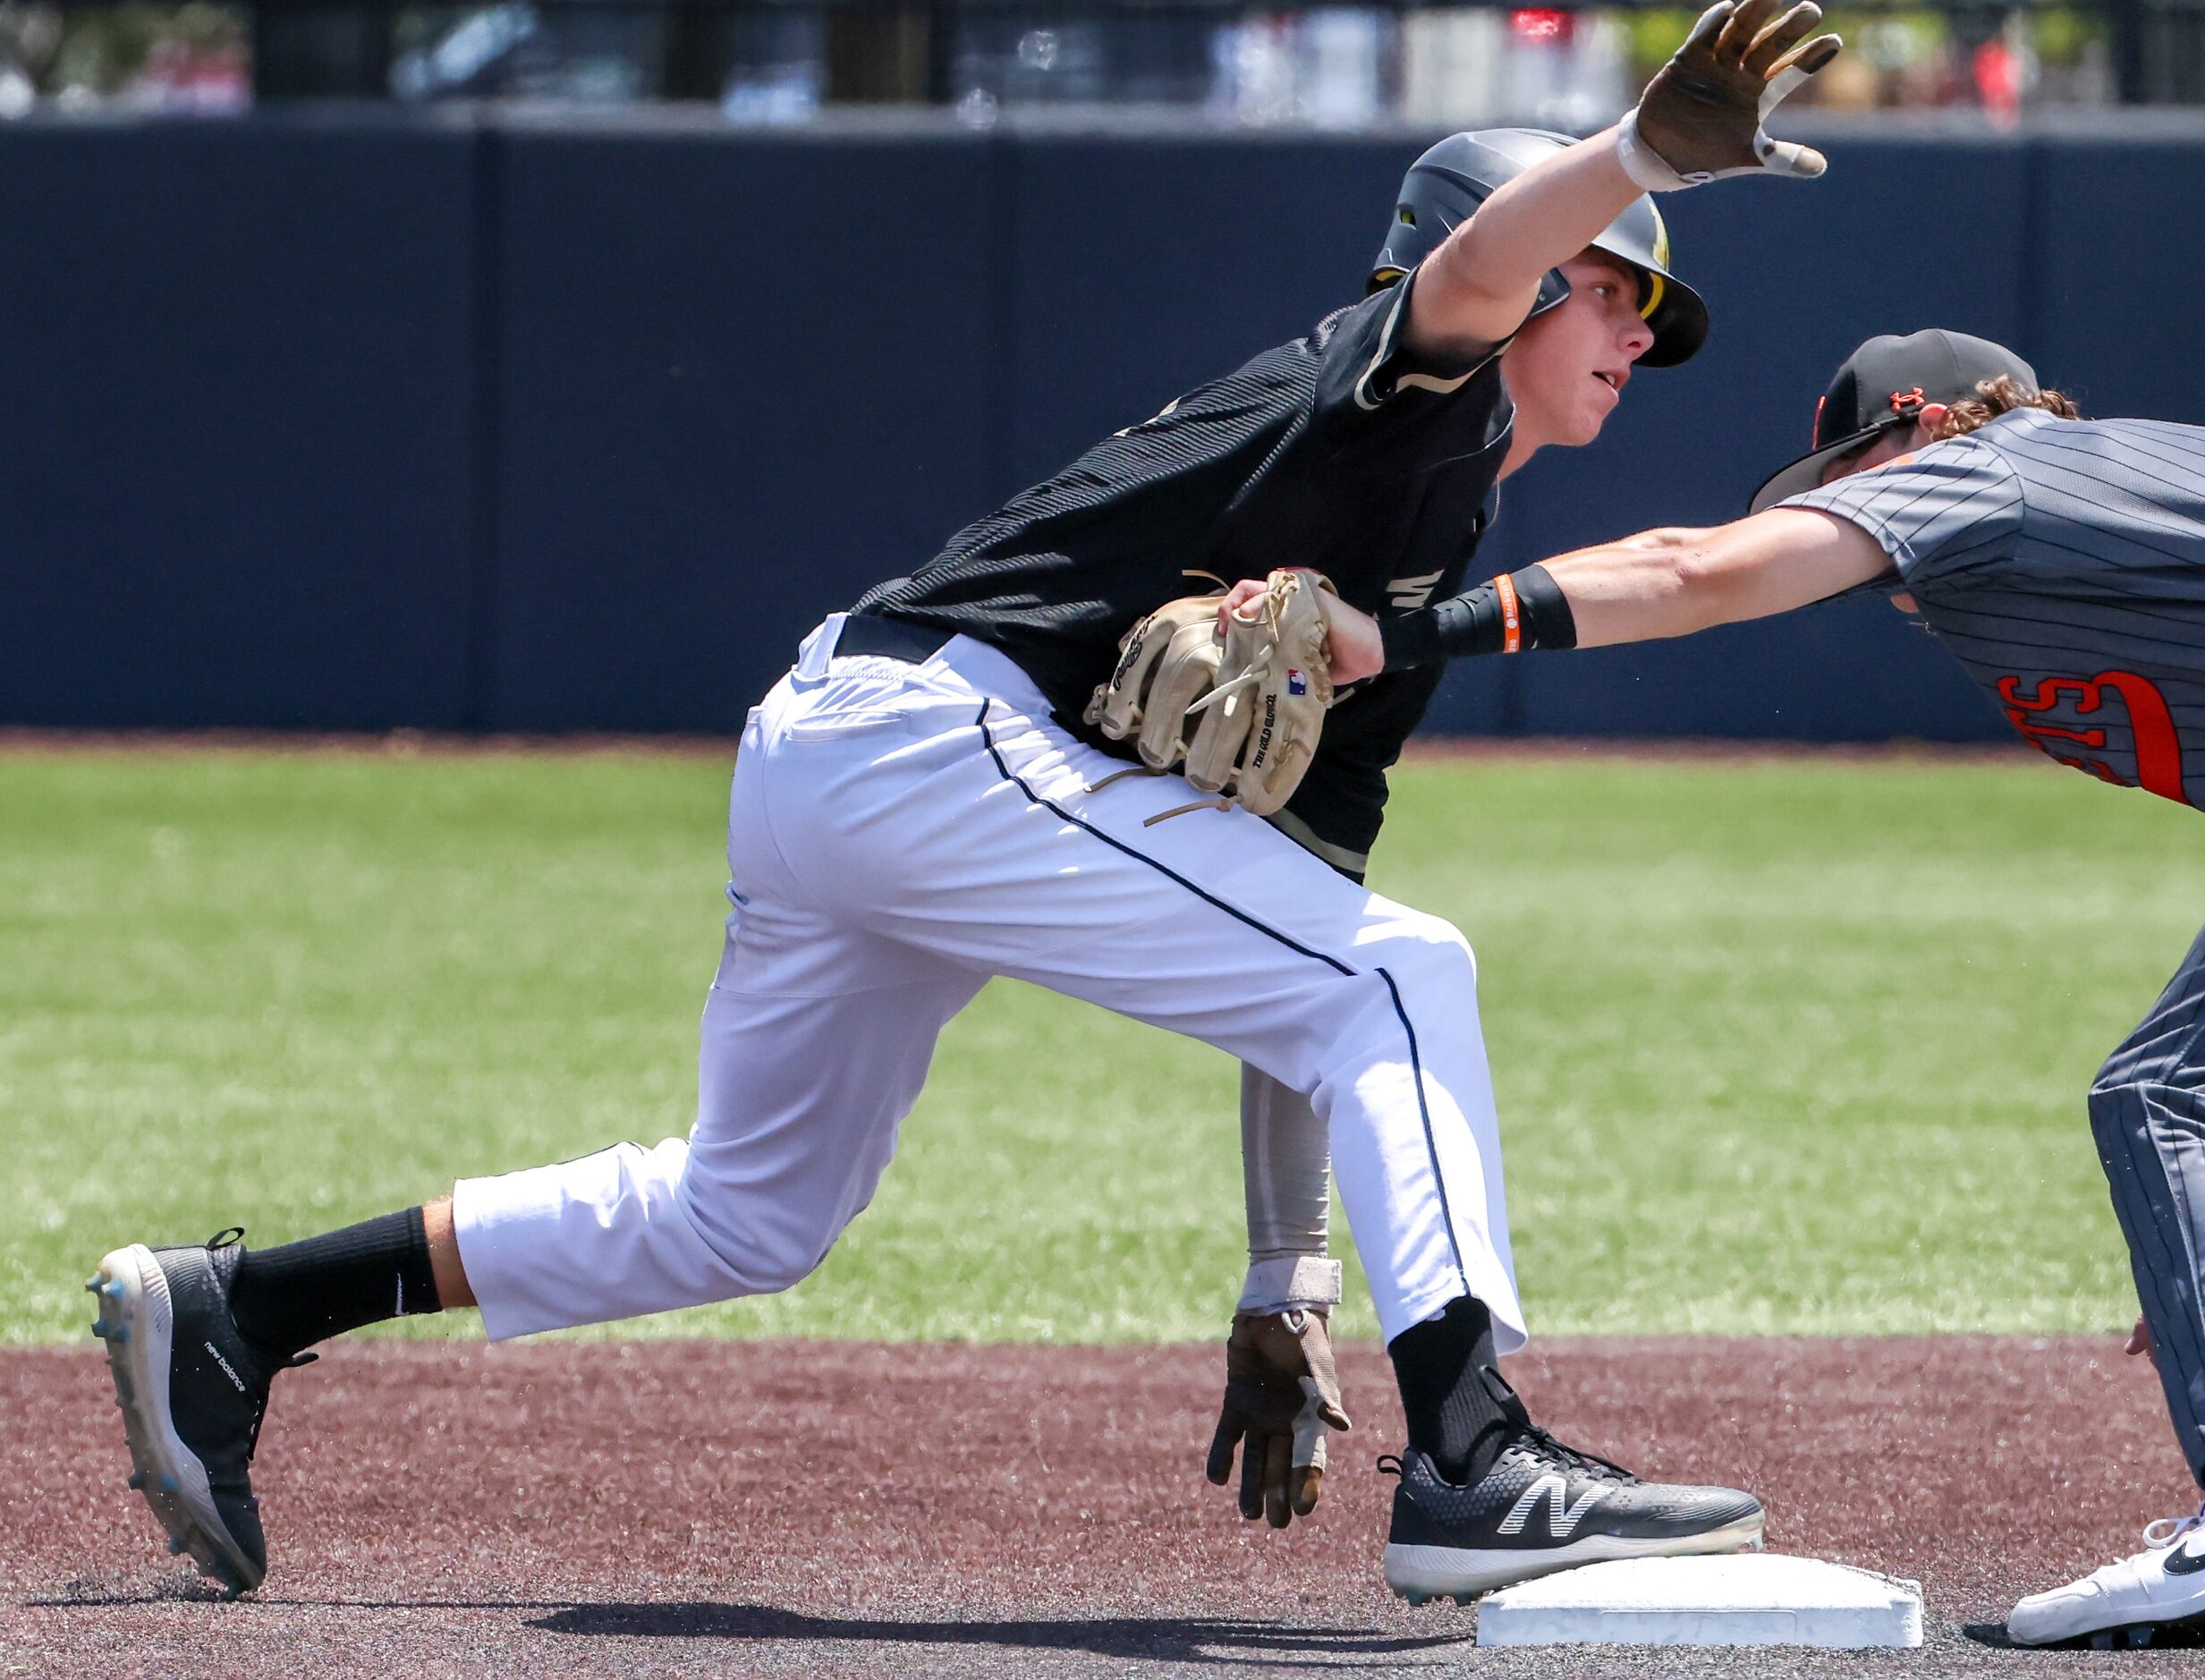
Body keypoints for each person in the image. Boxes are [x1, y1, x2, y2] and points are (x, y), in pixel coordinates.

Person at [86, 0, 1840, 1603]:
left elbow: (1295, 909)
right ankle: (1473, 1455)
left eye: (1640, 299)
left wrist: (1277, 1276)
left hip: (851, 760)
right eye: (1611, 281)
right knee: (1410, 970)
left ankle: (243, 1313)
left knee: (752, 1211)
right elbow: (1466, 267)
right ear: (1522, 283)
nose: (1634, 324)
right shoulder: (1393, 386)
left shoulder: (1430, 552)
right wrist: (1630, 156)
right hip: (931, 738)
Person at [1269, 326, 2205, 1646]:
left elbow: (1690, 570)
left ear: (1923, 425)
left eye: (1848, 471)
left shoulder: (1986, 470)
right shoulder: (2061, 529)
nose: (1840, 511)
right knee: (2174, 1107)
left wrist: (1401, 634)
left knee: (2158, 1097)